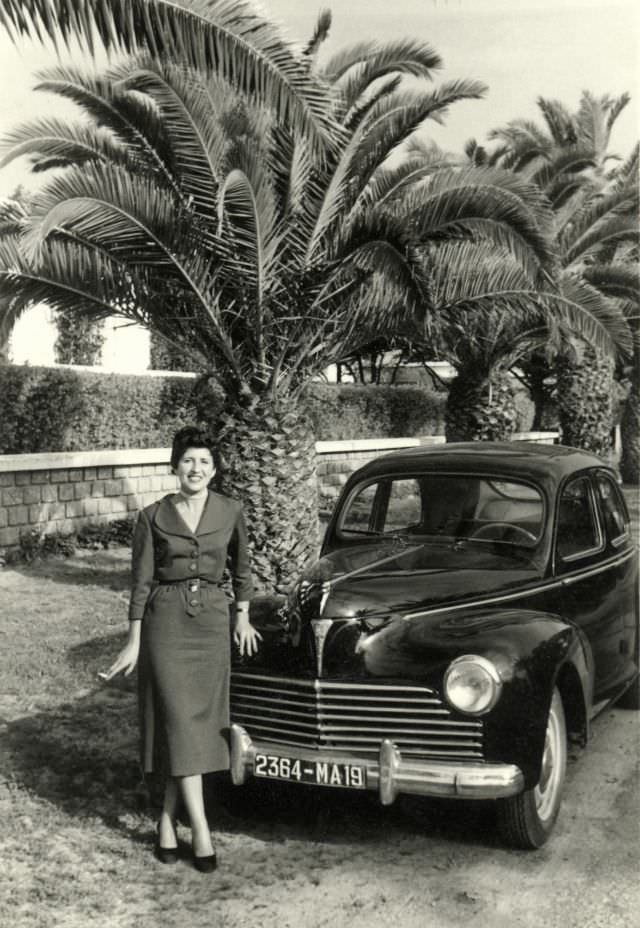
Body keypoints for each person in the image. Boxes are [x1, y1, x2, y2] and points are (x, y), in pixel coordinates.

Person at [103, 425, 261, 873]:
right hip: (164, 626)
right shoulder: (151, 516)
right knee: (176, 722)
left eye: (204, 462)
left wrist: (243, 616)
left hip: (211, 624)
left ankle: (167, 824)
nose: (196, 468)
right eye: (188, 460)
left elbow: (244, 569)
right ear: (175, 466)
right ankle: (202, 829)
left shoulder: (231, 510)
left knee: (193, 729)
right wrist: (133, 641)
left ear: (214, 470)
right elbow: (140, 583)